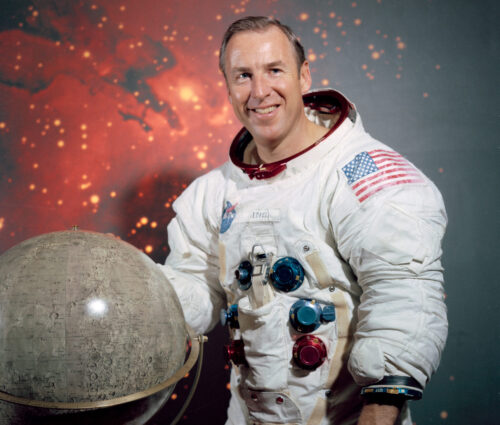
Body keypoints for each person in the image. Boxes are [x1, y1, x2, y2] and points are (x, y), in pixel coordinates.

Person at [160, 16, 447, 425]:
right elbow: (197, 288)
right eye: (243, 75)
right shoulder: (213, 193)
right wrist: (134, 290)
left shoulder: (362, 175)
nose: (260, 91)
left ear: (304, 76)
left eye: (274, 70)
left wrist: (380, 413)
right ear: (227, 88)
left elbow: (404, 296)